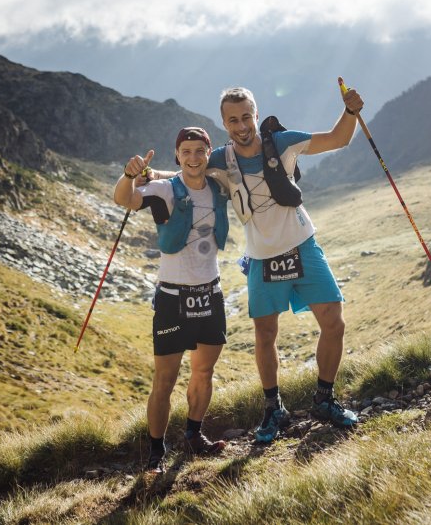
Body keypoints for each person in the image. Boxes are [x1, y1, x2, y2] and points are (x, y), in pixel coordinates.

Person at [207, 84, 365, 443]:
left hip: (302, 246)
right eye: (233, 120)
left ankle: (324, 399)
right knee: (265, 336)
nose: (242, 125)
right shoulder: (219, 160)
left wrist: (351, 111)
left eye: (246, 116)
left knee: (334, 322)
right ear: (224, 123)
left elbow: (338, 139)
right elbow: (185, 174)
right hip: (262, 258)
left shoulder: (282, 142)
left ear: (256, 114)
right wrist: (144, 176)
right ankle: (272, 409)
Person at [114, 126, 230, 474]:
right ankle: (155, 453)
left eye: (200, 151)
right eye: (186, 152)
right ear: (177, 156)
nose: (193, 158)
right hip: (172, 298)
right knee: (164, 381)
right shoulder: (165, 189)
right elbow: (126, 200)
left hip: (210, 293)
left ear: (208, 153)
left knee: (204, 371)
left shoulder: (218, 185)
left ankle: (194, 436)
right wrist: (129, 175)